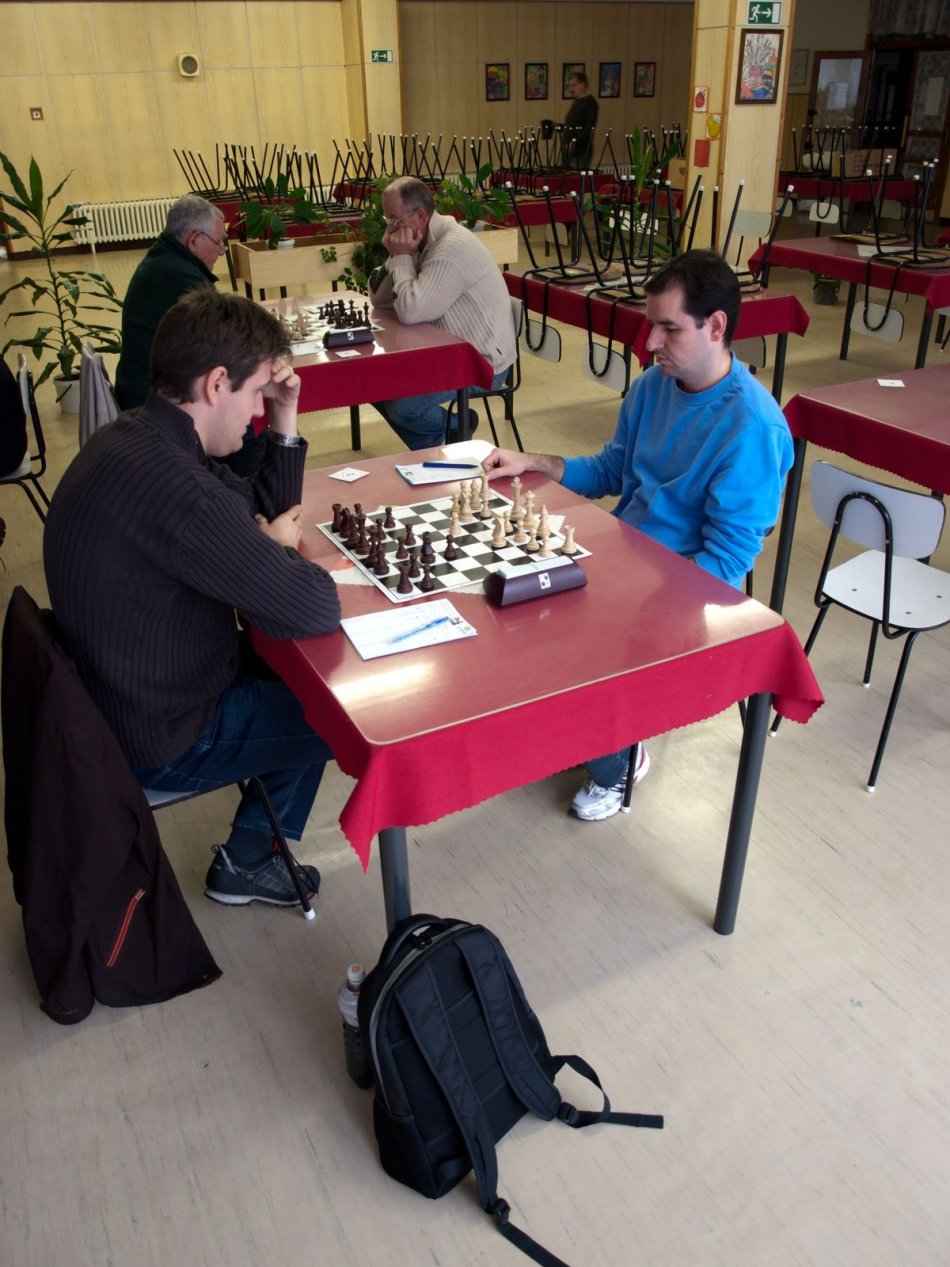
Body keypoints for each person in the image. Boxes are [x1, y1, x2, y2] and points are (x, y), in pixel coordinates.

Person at [44, 290, 342, 908]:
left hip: (117, 692)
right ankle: (250, 859)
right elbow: (314, 607)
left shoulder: (138, 435)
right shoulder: (184, 493)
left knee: (297, 673)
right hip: (162, 733)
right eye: (257, 393)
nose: (257, 410)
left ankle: (252, 848)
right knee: (336, 714)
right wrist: (280, 551)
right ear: (215, 384)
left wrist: (286, 416)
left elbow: (262, 508)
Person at [483, 250, 793, 822]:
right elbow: (610, 470)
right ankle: (576, 724)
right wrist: (532, 461)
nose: (649, 343)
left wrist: (635, 603)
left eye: (668, 328)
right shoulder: (654, 385)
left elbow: (726, 561)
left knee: (565, 636)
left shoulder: (753, 426)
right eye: (651, 325)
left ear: (716, 326)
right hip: (618, 556)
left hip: (678, 589)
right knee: (509, 606)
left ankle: (620, 758)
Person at [367, 176, 516, 450]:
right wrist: (396, 255)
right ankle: (447, 436)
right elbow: (380, 300)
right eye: (388, 220)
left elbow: (410, 311)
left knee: (403, 408)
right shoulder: (420, 240)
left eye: (394, 220)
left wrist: (401, 257)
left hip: (480, 361)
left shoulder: (450, 247)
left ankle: (452, 432)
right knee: (370, 384)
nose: (390, 229)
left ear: (420, 215)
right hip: (444, 351)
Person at [115, 194, 227, 411]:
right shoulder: (181, 276)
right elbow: (222, 338)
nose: (221, 251)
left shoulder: (163, 259)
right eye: (218, 242)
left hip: (143, 387)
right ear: (194, 240)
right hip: (149, 400)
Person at [563, 71, 599, 169]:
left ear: (583, 85)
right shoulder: (577, 102)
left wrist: (575, 142)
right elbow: (572, 123)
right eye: (570, 86)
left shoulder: (590, 102)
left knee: (576, 175)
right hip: (569, 150)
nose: (571, 89)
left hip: (580, 151)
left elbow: (589, 127)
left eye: (574, 85)